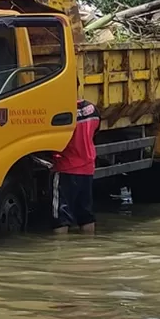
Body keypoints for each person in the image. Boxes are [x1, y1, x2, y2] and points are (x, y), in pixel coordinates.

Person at [52, 85, 100, 234]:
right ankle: (89, 249)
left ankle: (59, 254)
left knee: (61, 218)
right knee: (86, 216)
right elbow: (96, 131)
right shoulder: (92, 109)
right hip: (87, 168)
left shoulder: (59, 113)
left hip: (65, 168)